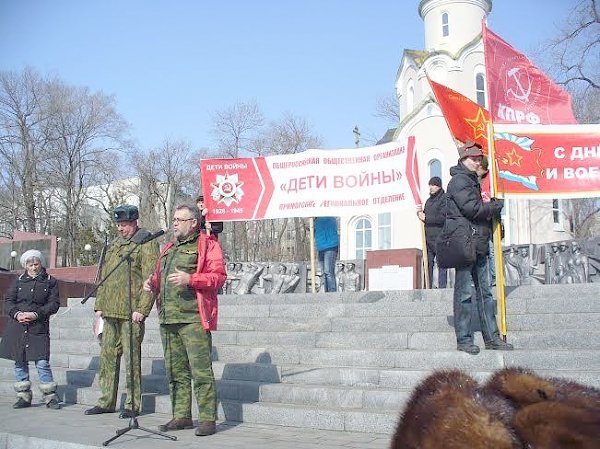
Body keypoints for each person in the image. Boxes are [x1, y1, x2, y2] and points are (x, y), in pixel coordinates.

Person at [143, 204, 226, 437]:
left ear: (193, 223)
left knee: (201, 371)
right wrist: (152, 283)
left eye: (180, 219)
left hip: (193, 319)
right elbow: (160, 277)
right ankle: (182, 415)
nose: (175, 223)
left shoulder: (208, 245)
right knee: (175, 371)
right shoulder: (169, 248)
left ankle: (208, 418)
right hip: (168, 319)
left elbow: (218, 277)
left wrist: (191, 279)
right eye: (174, 219)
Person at [84, 204, 159, 418]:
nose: (120, 228)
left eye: (124, 224)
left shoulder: (145, 243)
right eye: (118, 224)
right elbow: (106, 277)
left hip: (131, 312)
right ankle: (106, 401)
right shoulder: (115, 245)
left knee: (131, 360)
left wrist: (143, 309)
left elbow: (151, 279)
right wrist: (99, 304)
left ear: (135, 222)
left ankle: (133, 404)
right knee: (107, 358)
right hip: (110, 311)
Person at [445, 141, 513, 355]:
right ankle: (464, 340)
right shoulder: (458, 181)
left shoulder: (473, 181)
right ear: (464, 158)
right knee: (464, 294)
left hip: (478, 244)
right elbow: (472, 210)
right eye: (473, 158)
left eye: (478, 158)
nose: (477, 161)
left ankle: (491, 338)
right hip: (466, 246)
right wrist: (494, 206)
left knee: (485, 294)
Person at [0, 249, 61, 410]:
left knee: (42, 362)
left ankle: (50, 397)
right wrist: (17, 314)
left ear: (41, 264)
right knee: (20, 361)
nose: (34, 268)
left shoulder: (50, 281)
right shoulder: (18, 281)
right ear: (25, 266)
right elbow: (8, 301)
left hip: (38, 326)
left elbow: (54, 304)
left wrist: (35, 314)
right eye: (30, 265)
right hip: (18, 327)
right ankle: (23, 396)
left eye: (36, 264)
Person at [417, 176, 448, 288]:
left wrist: (426, 218)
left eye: (433, 185)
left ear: (438, 186)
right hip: (428, 238)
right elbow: (424, 216)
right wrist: (419, 214)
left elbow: (442, 217)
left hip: (440, 237)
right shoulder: (429, 201)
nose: (431, 187)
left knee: (442, 265)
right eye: (430, 185)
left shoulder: (444, 199)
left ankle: (442, 288)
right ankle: (427, 287)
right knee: (428, 263)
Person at [314, 217, 339, 292]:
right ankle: (326, 292)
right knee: (323, 272)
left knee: (328, 271)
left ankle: (332, 292)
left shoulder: (329, 217)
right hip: (321, 248)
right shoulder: (315, 221)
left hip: (330, 246)